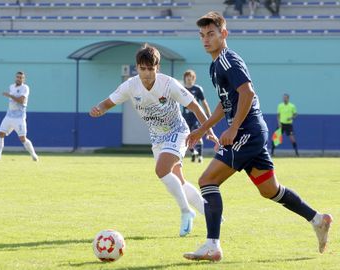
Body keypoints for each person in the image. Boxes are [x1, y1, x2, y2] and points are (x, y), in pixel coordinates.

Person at [183, 11, 332, 261]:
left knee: (207, 180)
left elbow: (248, 93)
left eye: (211, 34)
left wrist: (232, 129)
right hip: (251, 131)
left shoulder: (228, 59)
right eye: (202, 35)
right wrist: (202, 128)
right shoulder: (215, 65)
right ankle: (317, 219)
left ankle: (212, 245)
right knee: (270, 190)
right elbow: (225, 103)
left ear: (224, 34)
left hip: (246, 131)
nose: (206, 39)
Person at [90, 44, 218, 237]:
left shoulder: (169, 84)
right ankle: (212, 214)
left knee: (161, 170)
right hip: (157, 136)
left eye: (151, 69)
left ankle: (186, 212)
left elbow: (195, 106)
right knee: (179, 181)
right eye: (143, 68)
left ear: (157, 68)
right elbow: (108, 102)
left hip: (178, 130)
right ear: (137, 68)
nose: (147, 73)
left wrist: (206, 130)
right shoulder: (130, 86)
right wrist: (98, 109)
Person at [0, 71, 38, 162]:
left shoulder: (25, 88)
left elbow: (21, 101)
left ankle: (34, 155)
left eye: (21, 77)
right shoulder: (11, 86)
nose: (18, 79)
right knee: (0, 134)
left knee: (22, 138)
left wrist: (10, 95)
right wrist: (10, 95)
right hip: (9, 116)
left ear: (23, 79)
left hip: (19, 117)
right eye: (17, 77)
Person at [182, 69, 212, 163]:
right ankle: (194, 152)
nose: (189, 79)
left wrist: (209, 115)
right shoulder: (182, 89)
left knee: (197, 136)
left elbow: (204, 103)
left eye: (191, 78)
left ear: (194, 79)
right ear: (185, 78)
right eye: (187, 77)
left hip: (196, 117)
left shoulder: (197, 89)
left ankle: (200, 156)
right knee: (186, 136)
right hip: (185, 117)